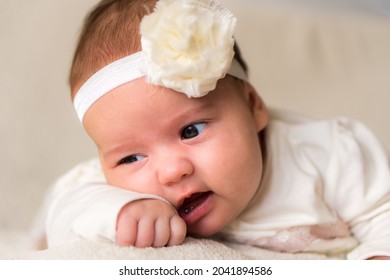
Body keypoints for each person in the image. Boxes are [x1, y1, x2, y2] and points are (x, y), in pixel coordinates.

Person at [41, 0, 390, 260]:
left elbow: (383, 214)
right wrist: (120, 212)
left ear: (253, 107)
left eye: (191, 131)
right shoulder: (103, 188)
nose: (172, 171)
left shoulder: (328, 153)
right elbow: (60, 218)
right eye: (132, 157)